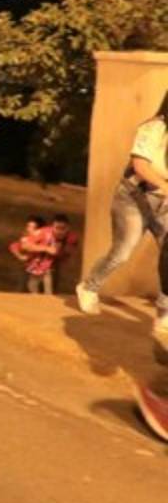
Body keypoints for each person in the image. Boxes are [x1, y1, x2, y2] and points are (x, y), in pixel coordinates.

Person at [77, 91, 168, 340]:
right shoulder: (153, 128)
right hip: (134, 198)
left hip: (164, 205)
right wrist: (165, 186)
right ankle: (89, 287)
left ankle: (164, 314)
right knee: (122, 252)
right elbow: (141, 166)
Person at [8, 215, 57, 294]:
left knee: (46, 290)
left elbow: (54, 250)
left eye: (34, 228)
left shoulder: (47, 237)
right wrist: (20, 256)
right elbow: (16, 246)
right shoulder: (26, 238)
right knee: (28, 287)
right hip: (30, 270)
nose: (29, 229)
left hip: (45, 269)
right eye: (28, 226)